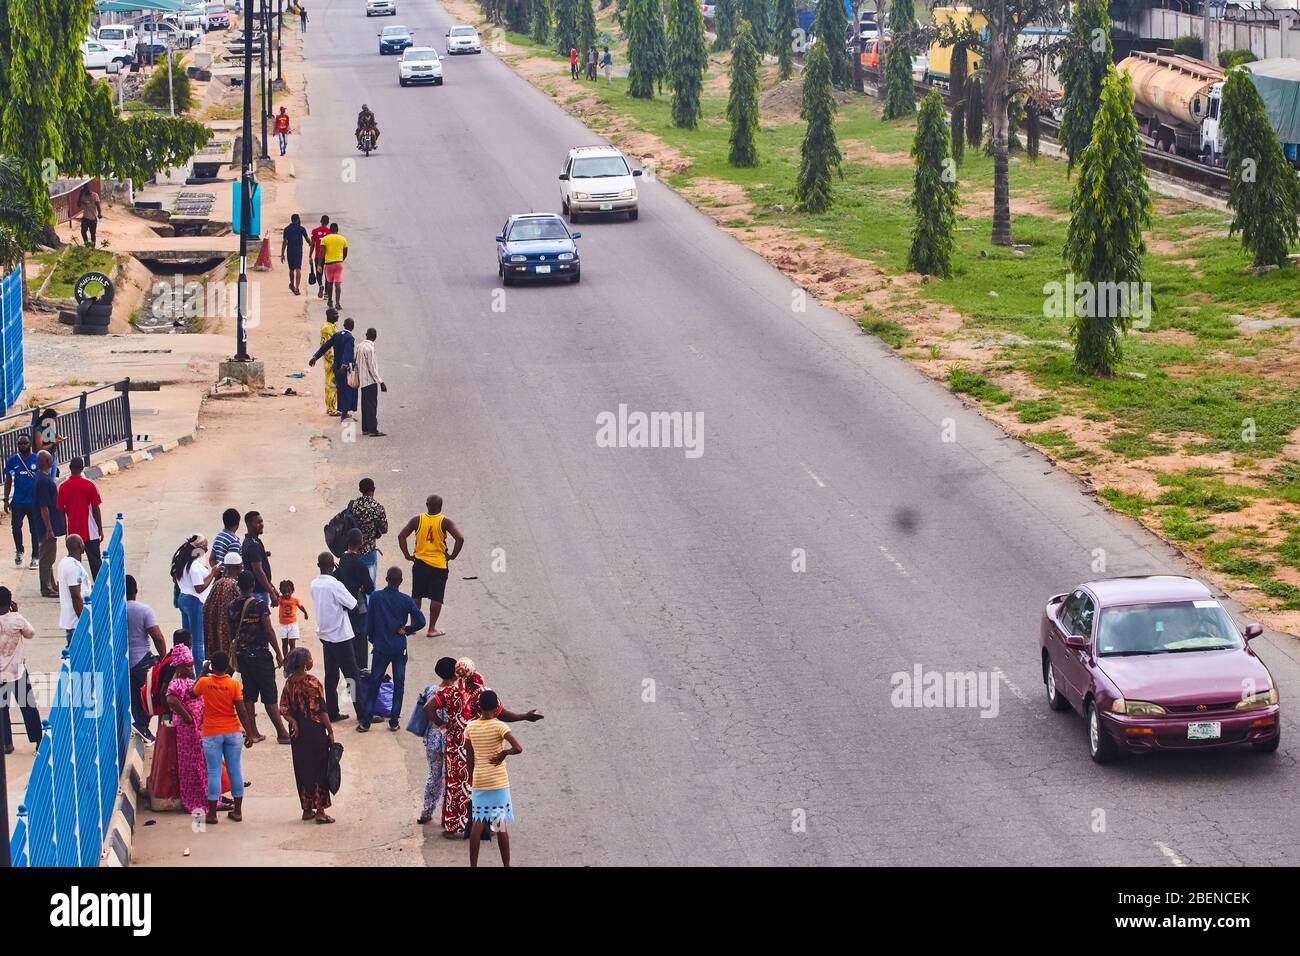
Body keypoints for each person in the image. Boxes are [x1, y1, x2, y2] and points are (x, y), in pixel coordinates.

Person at [358, 566, 424, 732]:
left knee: (375, 682)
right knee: (399, 683)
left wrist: (372, 638)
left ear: (386, 579)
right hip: (399, 647)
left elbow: (370, 623)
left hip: (381, 647)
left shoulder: (376, 597)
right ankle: (394, 721)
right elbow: (421, 621)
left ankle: (366, 722)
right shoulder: (406, 600)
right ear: (400, 581)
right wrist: (407, 630)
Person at [190, 651, 253, 824]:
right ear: (227, 667)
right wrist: (249, 733)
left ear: (212, 666)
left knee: (214, 772)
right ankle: (238, 811)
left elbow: (191, 694)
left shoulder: (204, 682)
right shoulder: (233, 684)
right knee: (235, 771)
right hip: (232, 732)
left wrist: (203, 671)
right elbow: (241, 711)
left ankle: (211, 814)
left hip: (211, 733)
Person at [227, 571, 289, 742]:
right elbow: (268, 630)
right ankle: (282, 733)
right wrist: (278, 652)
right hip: (260, 655)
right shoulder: (260, 605)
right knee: (269, 694)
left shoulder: (232, 605)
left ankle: (252, 732)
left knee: (249, 694)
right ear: (253, 585)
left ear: (238, 585)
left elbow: (231, 631)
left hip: (242, 655)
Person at [465, 690, 522, 868]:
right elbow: (518, 748)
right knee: (499, 824)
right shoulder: (500, 727)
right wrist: (504, 753)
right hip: (498, 782)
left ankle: (473, 865)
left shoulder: (470, 727)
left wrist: (471, 779)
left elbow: (469, 757)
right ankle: (506, 865)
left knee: (478, 821)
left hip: (480, 780)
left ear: (479, 707)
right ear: (497, 707)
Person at [279, 647, 336, 823]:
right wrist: (330, 731)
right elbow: (321, 710)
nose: (312, 661)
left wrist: (293, 721)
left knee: (303, 769)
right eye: (310, 658)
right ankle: (320, 811)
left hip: (298, 734)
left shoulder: (289, 683)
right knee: (320, 769)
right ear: (304, 663)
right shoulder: (313, 683)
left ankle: (306, 809)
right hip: (314, 731)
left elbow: (283, 709)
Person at [397, 494, 464, 638]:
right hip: (439, 565)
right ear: (441, 506)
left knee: (417, 595)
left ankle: (414, 625)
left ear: (427, 505)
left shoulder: (417, 520)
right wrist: (452, 555)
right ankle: (431, 629)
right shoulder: (445, 522)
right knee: (437, 597)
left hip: (420, 563)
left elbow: (401, 536)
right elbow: (460, 538)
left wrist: (407, 555)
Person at [310, 552, 359, 722]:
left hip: (325, 635)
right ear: (333, 565)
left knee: (330, 676)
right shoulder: (335, 585)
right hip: (341, 636)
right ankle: (362, 714)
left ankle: (332, 712)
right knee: (352, 676)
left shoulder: (314, 584)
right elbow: (353, 604)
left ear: (319, 566)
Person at [163, 643, 208, 815]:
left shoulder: (188, 681)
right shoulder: (176, 683)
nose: (191, 669)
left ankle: (205, 797)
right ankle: (196, 800)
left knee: (201, 763)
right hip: (187, 730)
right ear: (180, 667)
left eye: (191, 666)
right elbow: (171, 700)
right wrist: (187, 716)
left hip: (196, 728)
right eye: (188, 666)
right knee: (192, 765)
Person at [416, 656, 456, 824]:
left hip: (432, 740)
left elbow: (425, 710)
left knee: (434, 775)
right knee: (450, 778)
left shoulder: (430, 690)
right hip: (450, 740)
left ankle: (427, 811)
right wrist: (444, 725)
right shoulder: (455, 693)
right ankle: (449, 815)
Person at [126, 575, 167, 739]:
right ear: (136, 591)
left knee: (135, 696)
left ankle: (142, 727)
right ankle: (142, 725)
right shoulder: (143, 610)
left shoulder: (116, 610)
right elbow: (158, 637)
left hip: (125, 661)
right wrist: (164, 660)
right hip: (143, 659)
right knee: (157, 691)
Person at [0, 587, 40, 755]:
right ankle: (38, 739)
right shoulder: (17, 619)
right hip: (18, 672)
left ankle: (6, 744)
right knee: (28, 707)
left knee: (2, 710)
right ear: (10, 603)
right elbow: (30, 633)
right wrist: (16, 613)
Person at [55, 457, 104, 579]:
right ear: (82, 469)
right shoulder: (90, 485)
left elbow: (60, 510)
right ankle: (100, 589)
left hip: (72, 532)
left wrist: (65, 530)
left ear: (70, 468)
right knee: (95, 562)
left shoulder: (62, 487)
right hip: (90, 532)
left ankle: (77, 587)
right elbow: (96, 509)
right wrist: (100, 529)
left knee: (75, 563)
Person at [171, 534, 216, 665]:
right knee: (197, 641)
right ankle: (199, 672)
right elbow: (199, 588)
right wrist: (213, 573)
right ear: (199, 548)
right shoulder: (194, 566)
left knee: (187, 639)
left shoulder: (182, 562)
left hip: (183, 599)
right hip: (194, 602)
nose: (206, 550)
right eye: (205, 547)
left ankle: (185, 666)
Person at [4, 433, 41, 570]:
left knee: (34, 530)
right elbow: (8, 480)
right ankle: (19, 551)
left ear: (30, 443)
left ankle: (35, 557)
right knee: (15, 527)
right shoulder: (13, 460)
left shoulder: (37, 459)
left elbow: (43, 478)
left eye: (25, 443)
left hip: (33, 501)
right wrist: (6, 499)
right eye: (20, 443)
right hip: (18, 501)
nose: (22, 445)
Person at [309, 315, 357, 420]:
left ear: (343, 325)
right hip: (344, 369)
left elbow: (325, 346)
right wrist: (344, 365)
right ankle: (344, 414)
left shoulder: (337, 335)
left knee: (340, 389)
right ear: (352, 327)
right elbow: (347, 352)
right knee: (347, 389)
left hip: (336, 367)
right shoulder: (350, 338)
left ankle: (342, 411)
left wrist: (315, 357)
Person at [335, 529, 371, 670]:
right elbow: (369, 587)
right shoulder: (361, 565)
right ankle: (361, 668)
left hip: (345, 604)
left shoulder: (343, 559)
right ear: (361, 542)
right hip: (358, 604)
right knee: (361, 638)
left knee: (349, 635)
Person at [204, 551, 244, 659]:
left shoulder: (217, 584)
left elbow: (206, 608)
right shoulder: (235, 585)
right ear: (237, 567)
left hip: (216, 633)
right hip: (230, 633)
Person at [33, 451, 63, 598]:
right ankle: (46, 587)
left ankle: (52, 584)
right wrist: (49, 528)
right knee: (46, 556)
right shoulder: (44, 481)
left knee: (49, 556)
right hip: (46, 526)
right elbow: (44, 507)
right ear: (46, 461)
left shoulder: (41, 477)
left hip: (45, 524)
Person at [348, 478, 388, 586]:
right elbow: (384, 529)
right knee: (369, 587)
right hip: (368, 552)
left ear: (360, 490)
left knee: (354, 586)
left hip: (353, 551)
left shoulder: (353, 505)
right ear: (373, 490)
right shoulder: (377, 508)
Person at [58, 534, 91, 642]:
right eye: (82, 542)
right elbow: (76, 596)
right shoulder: (73, 567)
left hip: (71, 621)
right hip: (75, 624)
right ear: (79, 546)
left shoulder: (64, 562)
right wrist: (84, 622)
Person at [241, 511, 277, 607]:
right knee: (262, 620)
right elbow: (258, 571)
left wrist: (271, 587)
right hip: (258, 593)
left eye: (262, 522)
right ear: (249, 524)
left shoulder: (250, 541)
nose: (261, 525)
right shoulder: (253, 545)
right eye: (258, 522)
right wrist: (271, 593)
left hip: (259, 591)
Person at [357, 327, 387, 437]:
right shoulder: (370, 349)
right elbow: (372, 367)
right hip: (370, 381)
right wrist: (381, 382)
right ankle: (373, 430)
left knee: (365, 406)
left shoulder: (360, 346)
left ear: (366, 335)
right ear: (375, 337)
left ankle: (365, 428)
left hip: (363, 382)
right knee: (372, 406)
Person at [317, 222, 348, 309]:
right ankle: (337, 303)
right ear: (337, 230)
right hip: (339, 264)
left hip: (329, 264)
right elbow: (345, 253)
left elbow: (322, 253)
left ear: (330, 230)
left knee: (329, 283)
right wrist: (341, 260)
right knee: (337, 284)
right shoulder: (343, 239)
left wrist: (319, 264)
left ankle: (330, 301)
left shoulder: (325, 239)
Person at [317, 308, 340, 416]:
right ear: (329, 315)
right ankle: (331, 408)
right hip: (331, 362)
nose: (338, 315)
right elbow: (327, 347)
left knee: (333, 385)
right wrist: (333, 360)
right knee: (331, 385)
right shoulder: (327, 328)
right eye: (335, 314)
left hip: (333, 360)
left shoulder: (332, 326)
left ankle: (332, 407)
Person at [280, 213, 310, 295]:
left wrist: (282, 254)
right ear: (298, 220)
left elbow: (284, 242)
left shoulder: (286, 229)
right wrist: (312, 245)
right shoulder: (301, 229)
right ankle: (297, 288)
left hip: (290, 251)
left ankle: (292, 285)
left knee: (291, 269)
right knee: (298, 269)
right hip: (298, 251)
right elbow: (307, 240)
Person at [276, 579, 307, 653]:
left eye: (288, 592)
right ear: (281, 591)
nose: (286, 594)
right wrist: (276, 595)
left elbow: (300, 606)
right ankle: (286, 660)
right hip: (283, 625)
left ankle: (292, 659)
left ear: (292, 591)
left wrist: (305, 613)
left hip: (293, 624)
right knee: (284, 643)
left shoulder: (295, 600)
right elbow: (275, 602)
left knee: (292, 643)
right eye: (284, 592)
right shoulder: (280, 599)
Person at [310, 215, 331, 300]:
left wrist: (310, 255)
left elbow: (312, 244)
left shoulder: (315, 231)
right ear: (328, 222)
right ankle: (326, 293)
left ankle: (320, 285)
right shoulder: (330, 232)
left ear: (321, 221)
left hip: (318, 256)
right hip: (327, 257)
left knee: (319, 273)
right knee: (327, 275)